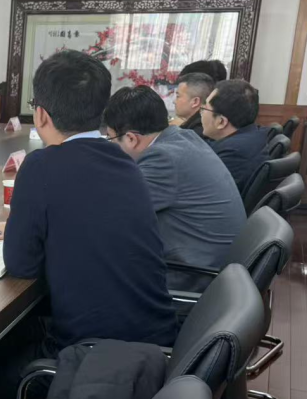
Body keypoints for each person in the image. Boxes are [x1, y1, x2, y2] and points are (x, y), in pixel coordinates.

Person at [0, 50, 176, 352]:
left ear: (41, 115)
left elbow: (21, 266)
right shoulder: (124, 161)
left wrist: (24, 232)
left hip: (94, 352)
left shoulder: (40, 165)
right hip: (157, 339)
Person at [103, 86, 246, 292]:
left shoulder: (163, 159)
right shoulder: (182, 138)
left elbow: (112, 213)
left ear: (132, 138)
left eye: (110, 139)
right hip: (212, 266)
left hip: (191, 278)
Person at [201, 79, 269, 194]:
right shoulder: (252, 135)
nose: (201, 113)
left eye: (204, 109)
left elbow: (200, 191)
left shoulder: (233, 153)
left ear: (221, 121)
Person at [172, 72, 216, 137]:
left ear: (195, 102)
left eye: (178, 96)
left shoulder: (193, 135)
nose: (174, 101)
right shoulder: (204, 126)